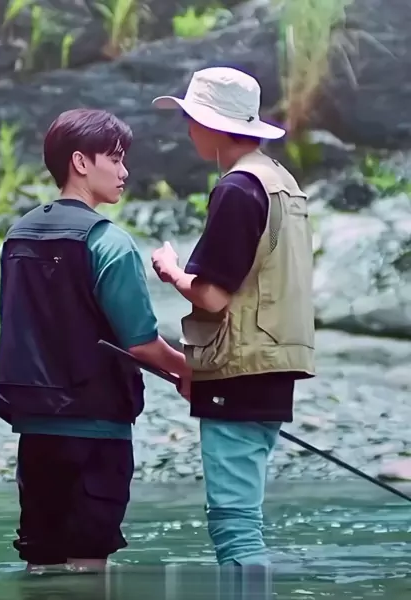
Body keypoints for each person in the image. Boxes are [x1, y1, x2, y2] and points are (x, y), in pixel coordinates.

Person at [0, 108, 190, 573]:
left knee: (41, 561)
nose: (124, 172)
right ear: (80, 162)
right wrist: (191, 371)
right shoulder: (109, 242)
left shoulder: (17, 236)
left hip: (35, 430)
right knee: (87, 566)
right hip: (97, 430)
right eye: (115, 159)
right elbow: (141, 343)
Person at [150, 67, 316, 567]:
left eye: (192, 119)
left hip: (238, 370)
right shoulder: (283, 183)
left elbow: (213, 296)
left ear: (213, 125)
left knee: (236, 531)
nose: (188, 129)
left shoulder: (237, 189)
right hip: (275, 366)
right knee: (245, 520)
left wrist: (171, 271)